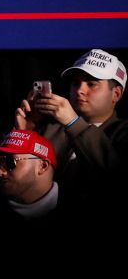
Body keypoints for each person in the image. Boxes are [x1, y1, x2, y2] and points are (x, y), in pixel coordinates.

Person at [16, 48, 127, 203]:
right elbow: (16, 180)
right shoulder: (51, 129)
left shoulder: (123, 132)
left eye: (91, 84)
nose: (80, 90)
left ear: (116, 94)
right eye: (76, 83)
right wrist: (25, 133)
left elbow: (115, 175)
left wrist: (74, 122)